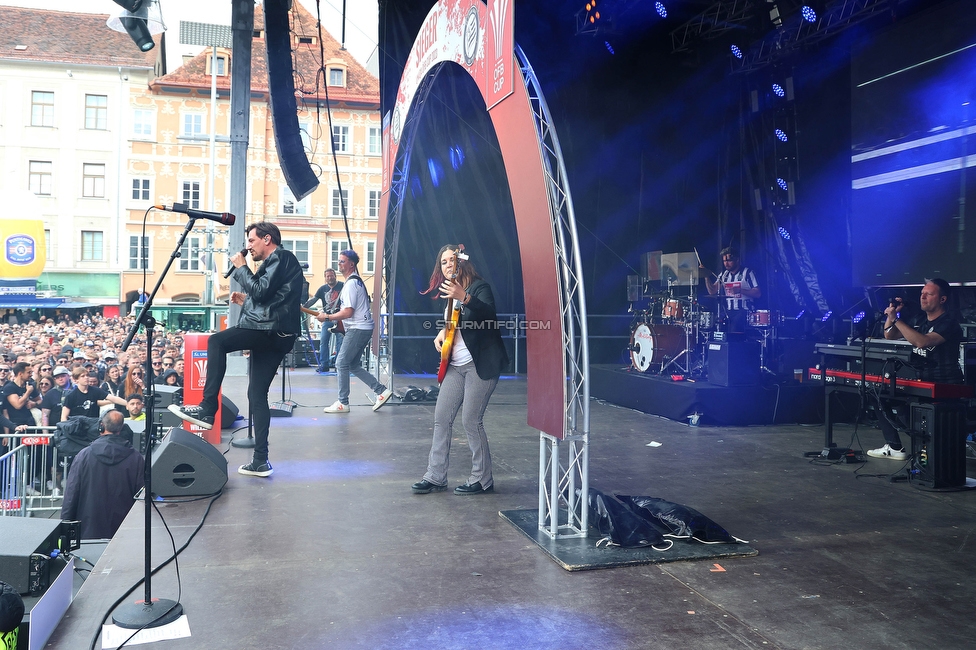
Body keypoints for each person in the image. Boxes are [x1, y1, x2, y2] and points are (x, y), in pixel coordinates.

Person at [170, 222, 303, 478]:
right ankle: (260, 461)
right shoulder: (277, 262)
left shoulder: (281, 257)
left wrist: (241, 269)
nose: (249, 246)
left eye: (252, 241)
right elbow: (271, 297)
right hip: (276, 333)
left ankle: (208, 409)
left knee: (216, 342)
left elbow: (262, 292)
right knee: (257, 395)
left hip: (267, 331)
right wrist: (247, 299)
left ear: (267, 239)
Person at [411, 245, 509, 496]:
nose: (446, 266)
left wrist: (464, 296)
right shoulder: (449, 294)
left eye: (450, 261)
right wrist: (443, 332)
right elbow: (455, 323)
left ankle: (482, 479)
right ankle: (435, 476)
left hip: (480, 364)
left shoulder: (478, 288)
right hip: (455, 365)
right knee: (441, 418)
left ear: (462, 262)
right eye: (442, 262)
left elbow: (488, 314)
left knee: (470, 420)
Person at [870, 278, 964, 460]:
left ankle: (928, 448)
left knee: (912, 411)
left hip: (944, 383)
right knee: (879, 396)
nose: (923, 297)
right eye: (922, 293)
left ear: (942, 299)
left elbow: (922, 341)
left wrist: (896, 320)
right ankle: (895, 446)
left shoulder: (949, 323)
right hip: (922, 381)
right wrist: (892, 318)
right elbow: (890, 335)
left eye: (929, 294)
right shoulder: (921, 321)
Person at [320, 250, 393, 414]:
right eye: (338, 261)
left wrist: (327, 317)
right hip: (362, 328)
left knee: (340, 363)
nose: (339, 264)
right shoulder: (354, 282)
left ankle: (342, 402)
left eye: (342, 261)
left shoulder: (352, 284)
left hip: (358, 329)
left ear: (351, 264)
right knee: (352, 364)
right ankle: (381, 391)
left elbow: (348, 312)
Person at [60, 411, 144, 539]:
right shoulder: (136, 457)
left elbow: (72, 492)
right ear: (121, 428)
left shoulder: (84, 456)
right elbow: (142, 495)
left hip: (89, 529)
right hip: (124, 529)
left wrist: (65, 525)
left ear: (101, 426)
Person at [701, 246, 761, 333]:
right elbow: (712, 291)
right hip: (728, 311)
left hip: (745, 311)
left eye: (729, 260)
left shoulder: (747, 273)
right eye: (724, 261)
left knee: (735, 325)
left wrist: (740, 290)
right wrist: (705, 275)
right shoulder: (724, 275)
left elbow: (758, 293)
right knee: (714, 323)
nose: (726, 263)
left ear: (737, 260)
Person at [305, 267, 344, 373]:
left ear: (335, 276)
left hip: (340, 318)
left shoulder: (343, 286)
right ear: (325, 278)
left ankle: (338, 365)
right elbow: (314, 300)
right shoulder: (322, 289)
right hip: (327, 319)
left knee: (340, 343)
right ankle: (324, 365)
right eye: (328, 276)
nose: (330, 277)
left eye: (332, 275)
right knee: (323, 341)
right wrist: (303, 307)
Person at [61, 367, 127, 421]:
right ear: (76, 380)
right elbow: (64, 416)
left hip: (93, 426)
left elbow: (113, 398)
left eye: (87, 375)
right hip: (77, 427)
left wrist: (128, 404)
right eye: (82, 376)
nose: (86, 378)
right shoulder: (71, 396)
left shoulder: (95, 390)